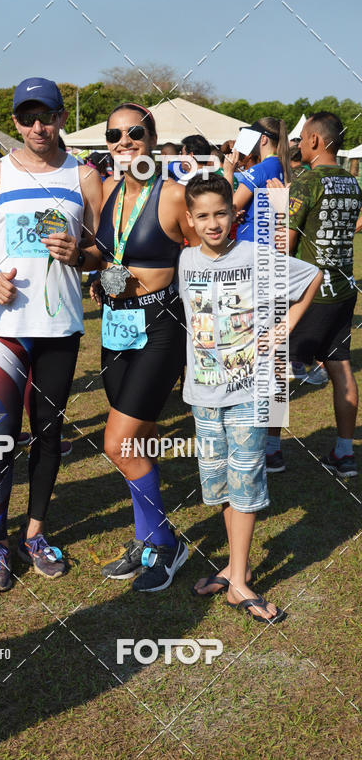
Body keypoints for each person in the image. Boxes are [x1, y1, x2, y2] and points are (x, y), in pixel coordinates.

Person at [0, 77, 101, 592]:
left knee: (48, 435)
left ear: (63, 117)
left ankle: (35, 534)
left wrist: (80, 256)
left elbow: (100, 253)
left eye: (46, 116)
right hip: (4, 330)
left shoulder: (84, 176)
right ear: (16, 122)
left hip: (60, 327)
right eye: (27, 118)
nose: (37, 127)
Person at [180, 174, 321, 620]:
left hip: (249, 392)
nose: (213, 223)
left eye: (221, 213)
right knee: (221, 484)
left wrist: (283, 330)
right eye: (202, 216)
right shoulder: (185, 261)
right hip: (203, 393)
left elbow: (312, 276)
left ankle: (238, 582)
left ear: (235, 214)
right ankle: (233, 567)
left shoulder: (258, 256)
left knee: (246, 483)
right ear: (190, 220)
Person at [82, 103, 197, 593]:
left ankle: (165, 544)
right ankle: (145, 538)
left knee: (117, 443)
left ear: (151, 137)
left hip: (161, 328)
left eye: (133, 133)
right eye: (114, 135)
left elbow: (201, 257)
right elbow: (107, 254)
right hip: (116, 328)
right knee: (142, 438)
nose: (123, 142)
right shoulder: (108, 192)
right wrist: (83, 261)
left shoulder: (172, 195)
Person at [267, 112, 362, 478]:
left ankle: (272, 451)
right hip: (343, 291)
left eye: (302, 138)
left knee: (276, 367)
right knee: (340, 367)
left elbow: (284, 249)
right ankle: (344, 453)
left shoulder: (306, 183)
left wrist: (278, 208)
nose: (298, 144)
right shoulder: (353, 183)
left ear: (316, 142)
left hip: (309, 296)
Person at [222, 117, 291, 241]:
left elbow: (231, 208)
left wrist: (228, 172)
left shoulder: (260, 169)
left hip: (251, 242)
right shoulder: (283, 167)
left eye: (252, 135)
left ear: (263, 139)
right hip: (270, 241)